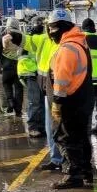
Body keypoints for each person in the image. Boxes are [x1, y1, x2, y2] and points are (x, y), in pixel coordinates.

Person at [46, 8, 94, 189]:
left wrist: (57, 103)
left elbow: (62, 80)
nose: (50, 33)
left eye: (52, 28)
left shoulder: (67, 49)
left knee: (65, 137)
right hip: (83, 98)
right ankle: (85, 172)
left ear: (59, 28)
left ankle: (73, 174)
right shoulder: (81, 44)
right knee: (81, 138)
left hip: (69, 101)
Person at [35, 16, 64, 173]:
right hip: (50, 91)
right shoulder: (44, 40)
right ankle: (57, 159)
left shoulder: (67, 44)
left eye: (54, 27)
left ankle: (66, 161)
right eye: (50, 27)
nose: (51, 30)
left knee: (62, 127)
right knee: (51, 127)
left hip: (62, 93)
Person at [0, 17, 23, 118]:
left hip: (6, 65)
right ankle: (18, 111)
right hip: (19, 65)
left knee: (6, 84)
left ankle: (10, 102)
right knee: (19, 88)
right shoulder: (22, 35)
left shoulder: (3, 34)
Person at [16, 22, 44, 138]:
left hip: (32, 73)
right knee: (35, 101)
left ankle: (40, 127)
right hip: (30, 73)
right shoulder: (33, 41)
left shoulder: (29, 39)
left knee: (39, 101)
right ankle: (33, 127)